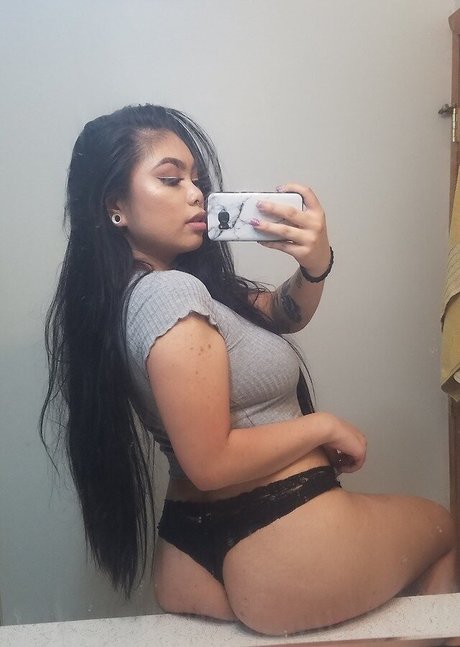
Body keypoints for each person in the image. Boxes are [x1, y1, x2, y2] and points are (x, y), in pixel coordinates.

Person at [40, 103, 458, 637]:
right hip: (281, 534)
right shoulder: (172, 294)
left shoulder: (140, 297)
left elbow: (282, 313)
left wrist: (315, 264)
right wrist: (323, 426)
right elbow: (211, 461)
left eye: (196, 179)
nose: (196, 193)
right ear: (115, 205)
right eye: (170, 179)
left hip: (190, 546)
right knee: (442, 528)